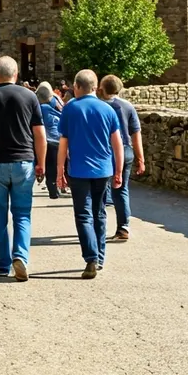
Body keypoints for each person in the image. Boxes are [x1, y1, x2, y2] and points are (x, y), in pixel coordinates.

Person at [0, 56, 46, 281]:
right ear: (16, 74)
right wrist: (41, 163)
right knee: (22, 214)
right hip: (23, 161)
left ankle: (2, 265)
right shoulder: (29, 96)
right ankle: (21, 257)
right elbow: (39, 134)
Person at [57, 70, 123, 280]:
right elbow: (117, 143)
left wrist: (59, 170)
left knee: (83, 215)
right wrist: (119, 170)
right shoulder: (108, 109)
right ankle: (100, 256)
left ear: (76, 87)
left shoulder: (70, 109)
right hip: (103, 169)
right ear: (96, 87)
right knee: (100, 213)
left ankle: (91, 258)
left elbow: (63, 143)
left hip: (78, 170)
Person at [99, 75, 145, 241]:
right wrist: (141, 159)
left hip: (105, 151)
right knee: (121, 189)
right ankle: (123, 227)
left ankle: (98, 227)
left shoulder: (100, 107)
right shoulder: (128, 106)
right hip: (126, 151)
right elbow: (136, 134)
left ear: (102, 89)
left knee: (100, 190)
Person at [36, 82, 63, 200]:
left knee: (50, 167)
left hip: (49, 140)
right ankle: (58, 186)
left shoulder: (42, 108)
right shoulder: (57, 103)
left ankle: (53, 191)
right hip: (60, 139)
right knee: (58, 166)